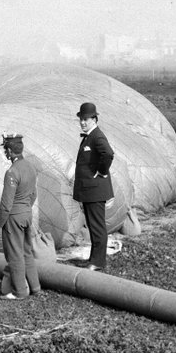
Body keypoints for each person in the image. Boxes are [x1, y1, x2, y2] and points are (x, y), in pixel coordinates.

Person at [0, 133, 41, 300]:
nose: (5, 154)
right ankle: (35, 287)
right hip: (27, 215)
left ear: (9, 151)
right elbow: (33, 194)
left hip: (14, 218)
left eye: (6, 150)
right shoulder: (31, 167)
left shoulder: (12, 172)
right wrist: (26, 208)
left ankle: (19, 292)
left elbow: (6, 204)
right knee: (27, 252)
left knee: (14, 255)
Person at [73, 102, 114, 271]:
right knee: (92, 225)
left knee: (97, 226)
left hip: (96, 190)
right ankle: (94, 258)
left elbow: (108, 153)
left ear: (94, 119)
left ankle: (98, 262)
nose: (83, 122)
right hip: (90, 190)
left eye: (86, 119)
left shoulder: (97, 136)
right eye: (81, 119)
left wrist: (102, 172)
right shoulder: (89, 136)